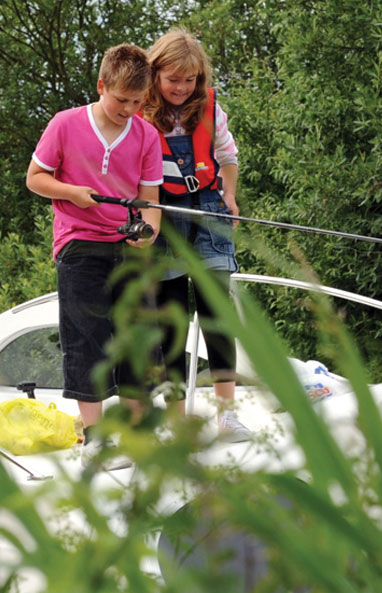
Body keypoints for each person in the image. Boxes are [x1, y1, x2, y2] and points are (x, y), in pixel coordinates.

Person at [25, 43, 165, 429]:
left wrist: (149, 230)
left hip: (127, 244)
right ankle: (95, 436)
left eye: (138, 101)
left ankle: (140, 434)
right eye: (121, 99)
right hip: (78, 242)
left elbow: (151, 200)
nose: (129, 109)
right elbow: (35, 179)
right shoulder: (64, 123)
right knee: (87, 339)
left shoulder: (147, 135)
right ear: (102, 85)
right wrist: (72, 193)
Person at [138, 29, 246, 437]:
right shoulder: (141, 111)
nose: (181, 88)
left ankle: (227, 415)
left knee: (218, 314)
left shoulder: (211, 108)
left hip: (209, 214)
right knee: (171, 322)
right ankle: (177, 420)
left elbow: (227, 156)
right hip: (162, 220)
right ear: (156, 75)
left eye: (189, 80)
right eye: (173, 80)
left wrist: (230, 196)